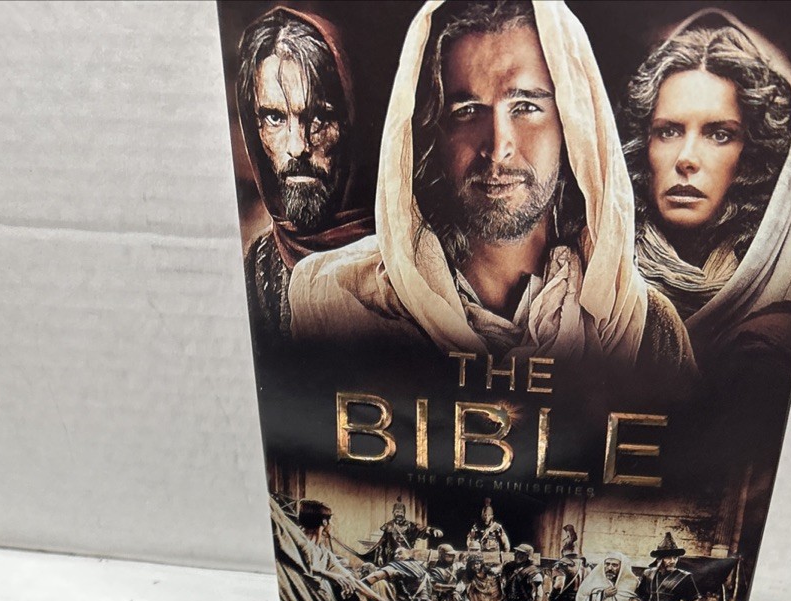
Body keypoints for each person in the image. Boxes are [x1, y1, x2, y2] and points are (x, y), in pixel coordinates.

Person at [288, 0, 693, 383]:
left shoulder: (645, 328)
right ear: (431, 133)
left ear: (572, 126)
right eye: (467, 111)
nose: (499, 147)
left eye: (526, 107)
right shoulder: (335, 299)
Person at [622, 12, 791, 377]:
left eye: (719, 134)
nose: (686, 159)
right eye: (668, 131)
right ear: (644, 143)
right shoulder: (591, 278)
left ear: (753, 153)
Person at [235, 8, 372, 348]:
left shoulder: (410, 261)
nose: (297, 147)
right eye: (274, 118)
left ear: (351, 121)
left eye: (319, 117)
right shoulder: (257, 269)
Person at [365, 500, 420, 566]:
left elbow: (421, 530)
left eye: (401, 512)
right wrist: (380, 556)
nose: (399, 514)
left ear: (404, 513)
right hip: (391, 557)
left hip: (406, 556)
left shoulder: (411, 525)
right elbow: (381, 543)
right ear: (393, 512)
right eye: (397, 511)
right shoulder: (388, 526)